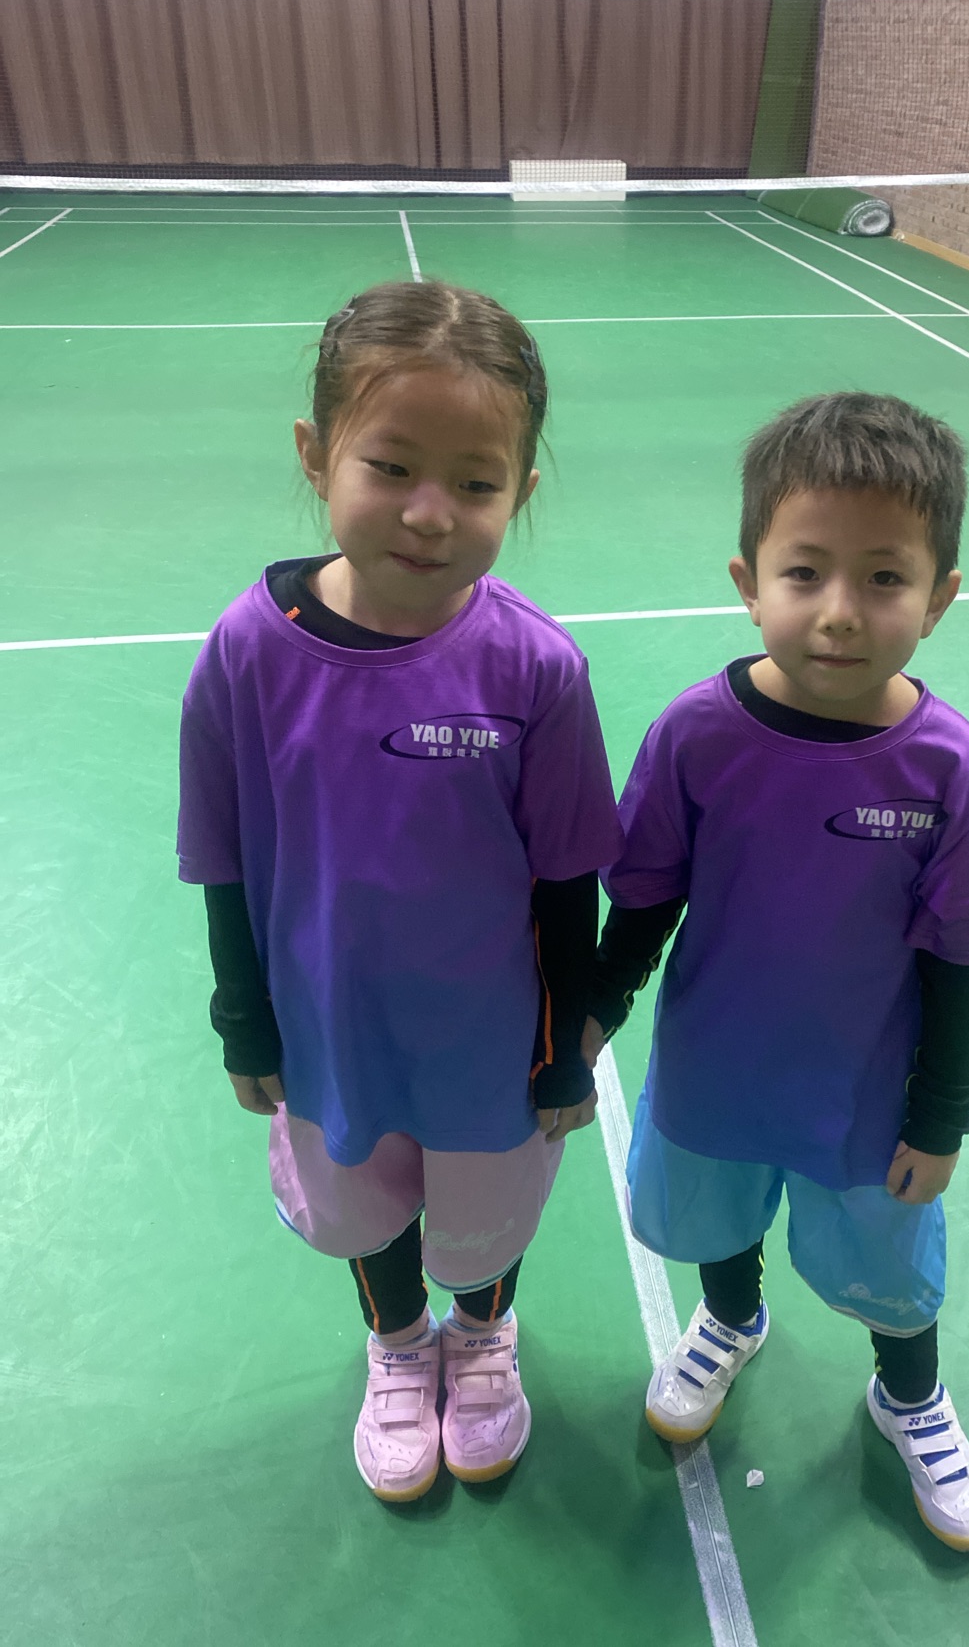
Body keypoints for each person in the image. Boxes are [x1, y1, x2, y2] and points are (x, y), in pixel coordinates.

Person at [178, 280, 621, 1502]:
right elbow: (219, 854)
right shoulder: (245, 651)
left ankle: (480, 1334)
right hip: (330, 1026)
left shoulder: (537, 669)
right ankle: (396, 1341)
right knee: (364, 1207)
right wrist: (243, 1016)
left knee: (481, 1215)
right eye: (390, 466)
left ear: (520, 491)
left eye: (476, 483)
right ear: (316, 452)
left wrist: (561, 1049)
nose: (431, 513)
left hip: (486, 1040)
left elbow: (567, 876)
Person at [584, 392, 969, 1552]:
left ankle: (908, 1394)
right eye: (804, 572)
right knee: (715, 1218)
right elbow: (646, 893)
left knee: (891, 1264)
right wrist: (597, 1004)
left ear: (939, 596)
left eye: (884, 578)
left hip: (866, 1092)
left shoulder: (954, 774)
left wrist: (940, 1114)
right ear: (749, 581)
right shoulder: (696, 734)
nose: (839, 611)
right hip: (716, 1063)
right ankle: (729, 1321)